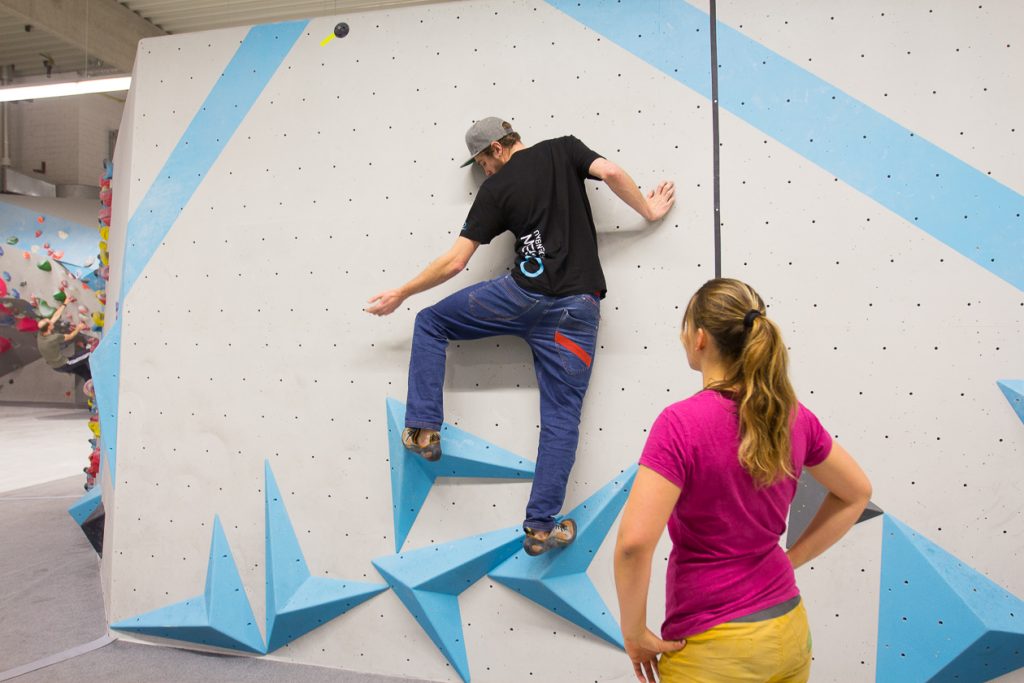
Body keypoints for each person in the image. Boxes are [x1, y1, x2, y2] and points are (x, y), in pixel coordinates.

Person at [367, 117, 676, 555]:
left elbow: (456, 262)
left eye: (482, 162)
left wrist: (402, 291)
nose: (484, 173)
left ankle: (423, 430)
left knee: (431, 322)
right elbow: (609, 172)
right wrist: (647, 210)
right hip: (576, 311)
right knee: (562, 418)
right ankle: (541, 527)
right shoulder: (564, 149)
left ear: (496, 147)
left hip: (521, 295)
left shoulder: (495, 190)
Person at [613, 278, 872, 682]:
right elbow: (857, 493)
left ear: (699, 338)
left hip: (716, 647)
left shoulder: (680, 424)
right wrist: (789, 562)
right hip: (787, 628)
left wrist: (634, 634)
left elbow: (633, 545)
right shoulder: (794, 416)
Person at [37, 302, 92, 381]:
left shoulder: (41, 332)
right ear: (49, 327)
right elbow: (70, 336)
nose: (51, 321)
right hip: (64, 364)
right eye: (49, 322)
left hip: (56, 366)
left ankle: (91, 384)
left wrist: (65, 303)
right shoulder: (52, 338)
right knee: (90, 352)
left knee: (82, 369)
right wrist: (79, 328)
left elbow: (55, 316)